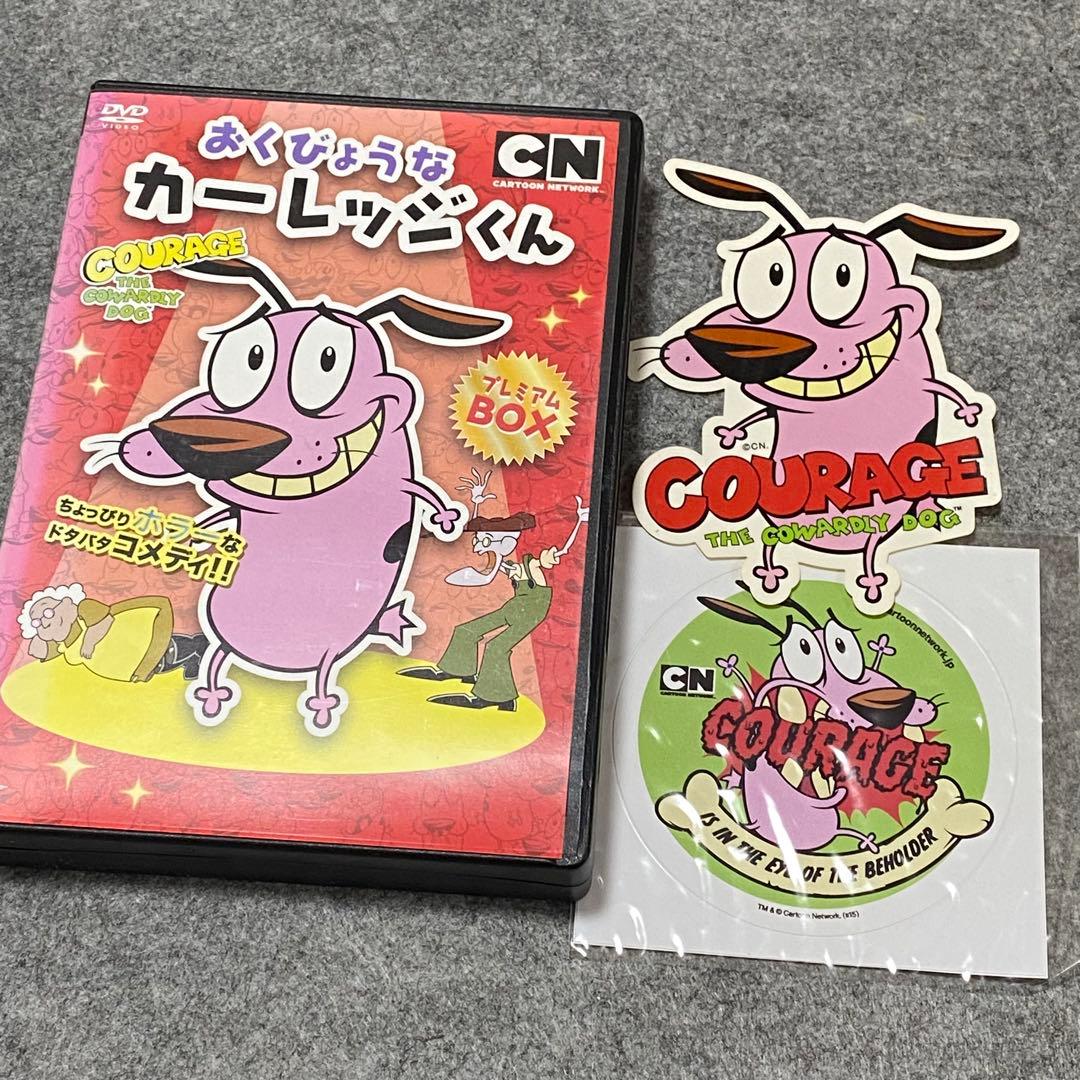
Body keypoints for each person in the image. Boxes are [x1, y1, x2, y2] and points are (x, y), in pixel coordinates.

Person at [399, 469, 588, 711]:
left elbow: (561, 551)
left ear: (507, 539)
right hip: (514, 608)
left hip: (530, 612)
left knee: (496, 646)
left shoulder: (532, 564)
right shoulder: (507, 563)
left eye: (486, 539)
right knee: (467, 630)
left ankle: (499, 697)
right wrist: (476, 503)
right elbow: (475, 537)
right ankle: (459, 670)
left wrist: (580, 521)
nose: (479, 544)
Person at [19, 583, 207, 683]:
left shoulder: (83, 609)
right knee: (159, 666)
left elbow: (104, 620)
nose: (46, 620)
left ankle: (199, 648)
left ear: (66, 604)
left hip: (139, 639)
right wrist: (38, 637)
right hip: (127, 663)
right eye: (39, 622)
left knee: (169, 650)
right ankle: (192, 662)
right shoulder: (62, 643)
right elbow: (41, 652)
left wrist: (89, 641)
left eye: (48, 612)